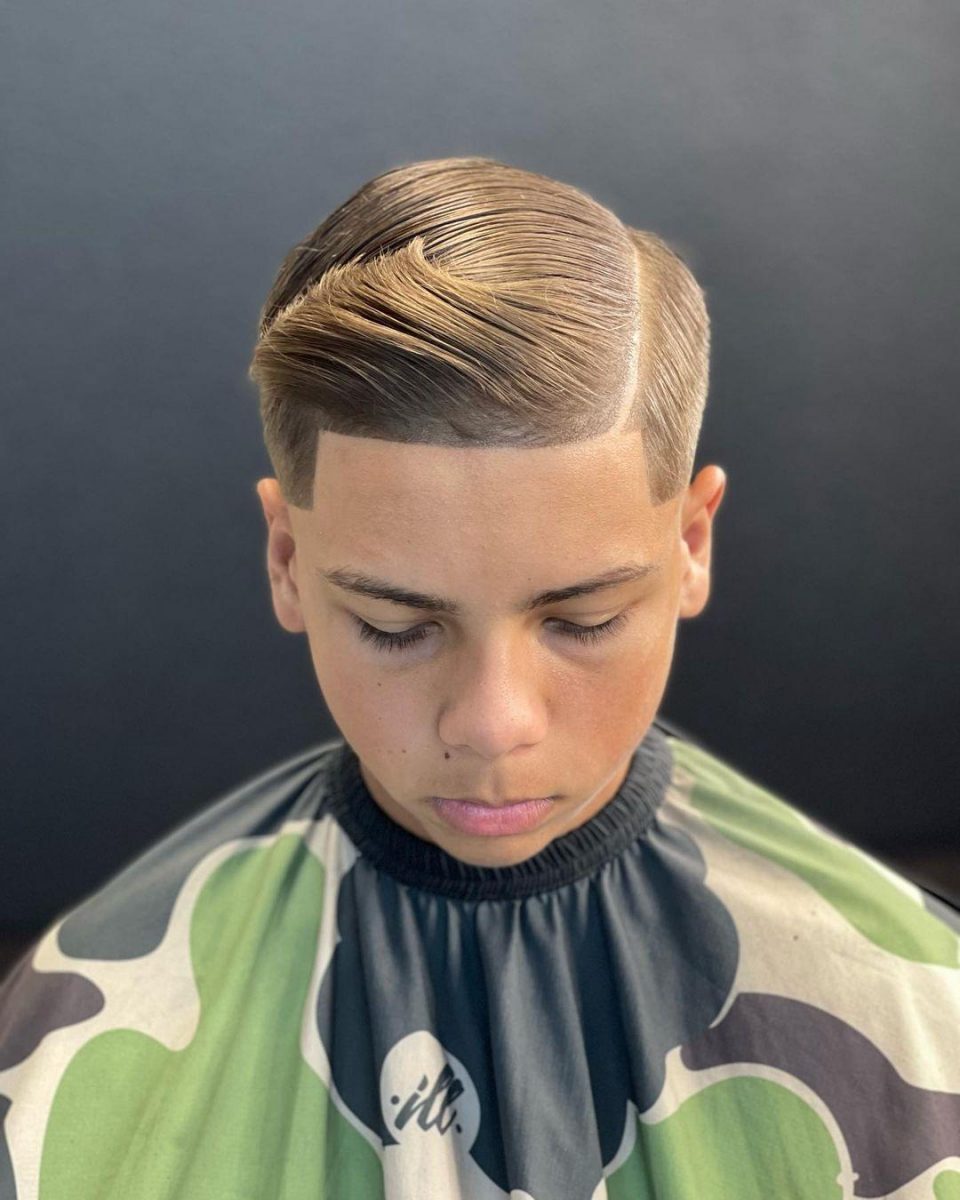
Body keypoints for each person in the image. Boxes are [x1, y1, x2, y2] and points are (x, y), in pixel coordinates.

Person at [1, 157, 958, 1200]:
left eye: (584, 621)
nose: (494, 724)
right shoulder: (59, 1053)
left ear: (691, 544)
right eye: (395, 628)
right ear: (286, 561)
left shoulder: (924, 1020)